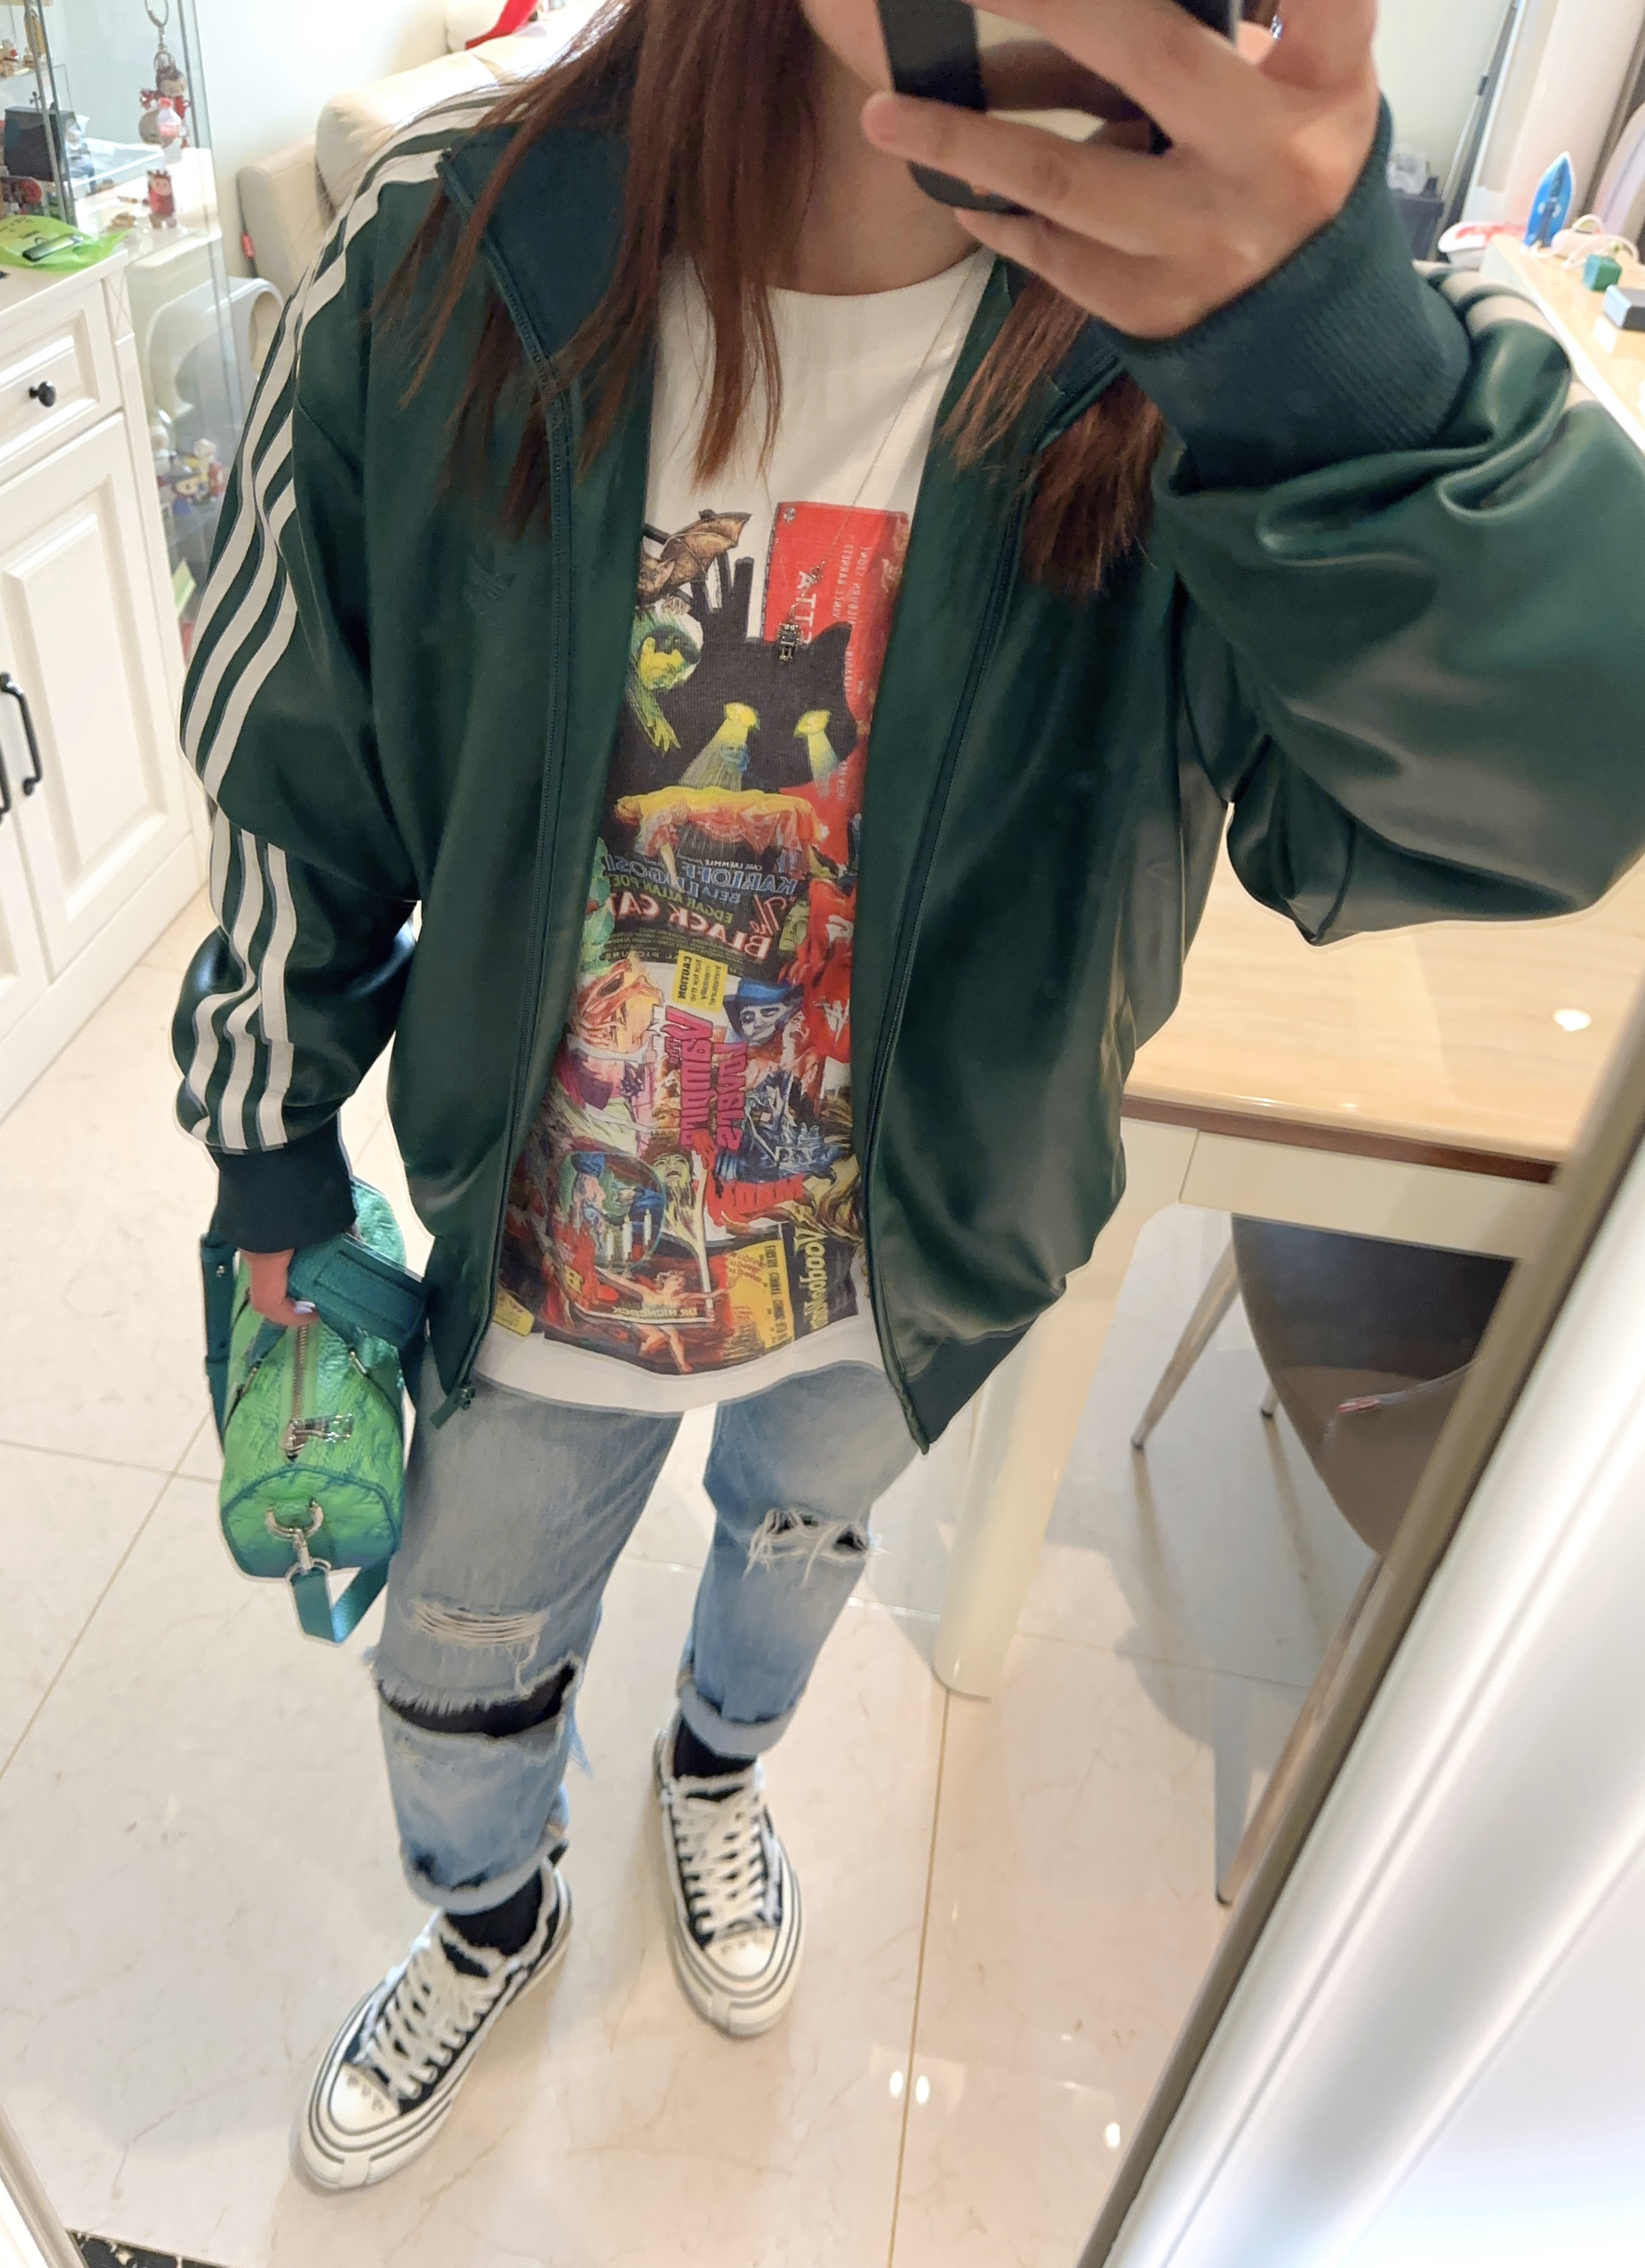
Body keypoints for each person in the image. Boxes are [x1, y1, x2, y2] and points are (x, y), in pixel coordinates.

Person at [172, 0, 1645, 2194]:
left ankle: (713, 1776)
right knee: (458, 1648)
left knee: (797, 1545)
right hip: (541, 1257)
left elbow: (1529, 804)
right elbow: (298, 764)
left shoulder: (1283, 338)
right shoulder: (451, 248)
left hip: (909, 1253)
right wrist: (273, 1151)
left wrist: (1320, 369)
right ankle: (486, 1914)